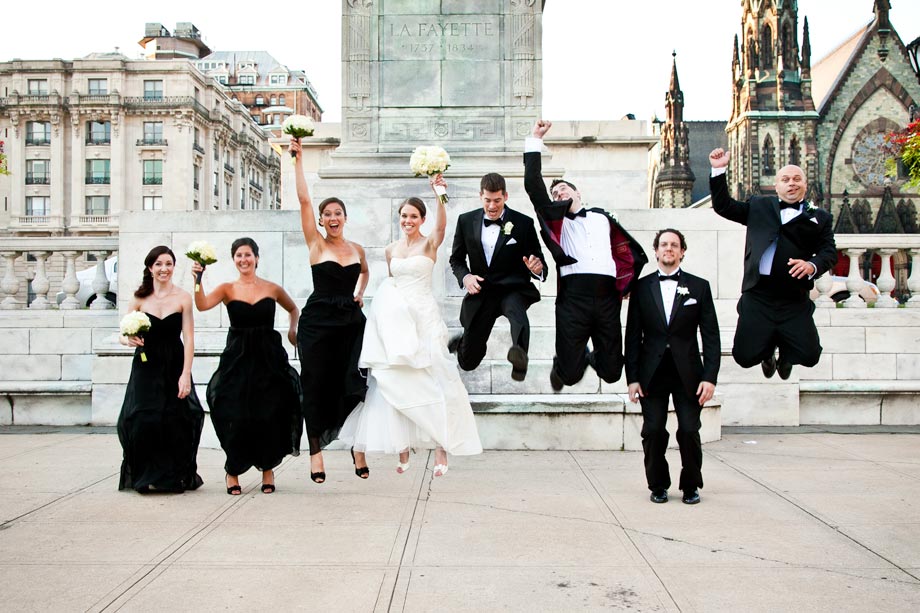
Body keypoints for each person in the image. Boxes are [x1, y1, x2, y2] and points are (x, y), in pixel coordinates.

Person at [339, 175, 483, 476]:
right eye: (404, 216)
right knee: (394, 380)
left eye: (413, 216)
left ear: (422, 219)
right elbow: (390, 283)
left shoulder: (429, 244)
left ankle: (443, 445)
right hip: (396, 321)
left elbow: (442, 227)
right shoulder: (391, 250)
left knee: (435, 377)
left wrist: (439, 193)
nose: (408, 220)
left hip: (423, 316)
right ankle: (402, 448)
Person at [523, 119, 648, 391]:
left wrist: (626, 284)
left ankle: (592, 356)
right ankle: (564, 364)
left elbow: (628, 255)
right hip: (573, 297)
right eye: (554, 193)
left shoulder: (602, 218)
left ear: (578, 192)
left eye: (563, 189)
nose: (558, 193)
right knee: (569, 375)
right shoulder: (558, 222)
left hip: (607, 297)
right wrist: (535, 141)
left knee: (614, 372)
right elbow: (534, 186)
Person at [709, 148, 836, 379]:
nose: (792, 184)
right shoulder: (758, 206)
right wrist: (718, 171)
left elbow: (829, 252)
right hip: (759, 295)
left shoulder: (820, 217)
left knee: (810, 355)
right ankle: (767, 352)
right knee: (744, 356)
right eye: (785, 180)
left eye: (797, 179)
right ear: (776, 186)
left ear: (805, 185)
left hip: (794, 297)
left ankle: (786, 355)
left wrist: (812, 265)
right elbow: (724, 206)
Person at [191, 238, 302, 495]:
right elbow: (202, 304)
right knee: (235, 413)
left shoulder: (272, 288)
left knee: (269, 413)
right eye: (239, 255)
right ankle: (233, 470)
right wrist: (197, 280)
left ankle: (267, 469)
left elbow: (293, 309)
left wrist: (293, 330)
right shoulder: (227, 289)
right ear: (234, 260)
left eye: (248, 255)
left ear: (257, 258)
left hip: (268, 357)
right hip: (237, 359)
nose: (244, 259)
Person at [292, 138, 370, 483]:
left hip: (351, 323)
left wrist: (360, 293)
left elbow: (365, 271)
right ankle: (316, 454)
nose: (332, 217)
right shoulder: (316, 243)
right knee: (316, 385)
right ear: (322, 221)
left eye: (338, 213)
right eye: (328, 214)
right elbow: (304, 199)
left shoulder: (356, 248)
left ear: (345, 218)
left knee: (355, 381)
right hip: (318, 323)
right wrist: (297, 159)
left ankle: (357, 445)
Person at [625, 229, 720, 505]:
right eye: (664, 244)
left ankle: (691, 484)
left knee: (689, 430)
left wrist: (710, 377)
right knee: (653, 430)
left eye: (674, 245)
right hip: (651, 374)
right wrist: (632, 378)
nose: (669, 248)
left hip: (689, 374)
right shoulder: (641, 288)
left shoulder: (699, 287)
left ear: (682, 251)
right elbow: (632, 336)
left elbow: (711, 336)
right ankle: (658, 484)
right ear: (656, 251)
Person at [117, 245, 204, 493]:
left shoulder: (183, 297)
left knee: (175, 418)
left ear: (174, 267)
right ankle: (145, 476)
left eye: (168, 263)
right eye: (158, 264)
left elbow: (189, 338)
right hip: (146, 365)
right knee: (145, 418)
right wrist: (128, 340)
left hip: (175, 363)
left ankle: (173, 476)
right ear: (150, 268)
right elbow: (122, 335)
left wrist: (185, 373)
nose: (164, 268)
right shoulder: (139, 298)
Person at [448, 172, 546, 381]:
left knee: (517, 313)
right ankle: (463, 344)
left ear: (506, 197)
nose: (492, 206)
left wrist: (536, 268)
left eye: (497, 201)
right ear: (480, 196)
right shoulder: (465, 221)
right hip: (483, 290)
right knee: (468, 362)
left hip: (512, 288)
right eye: (488, 200)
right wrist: (466, 278)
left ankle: (519, 358)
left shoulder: (523, 223)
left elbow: (539, 260)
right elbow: (456, 259)